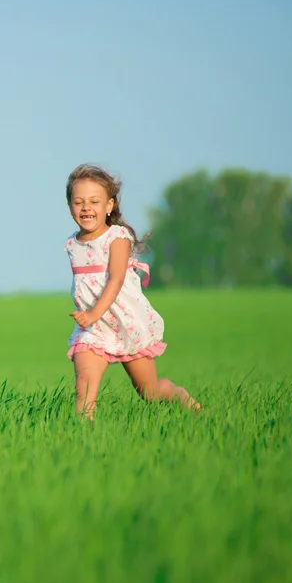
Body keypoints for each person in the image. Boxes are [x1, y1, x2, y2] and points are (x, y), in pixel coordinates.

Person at [64, 163, 201, 420]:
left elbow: (115, 280)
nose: (86, 208)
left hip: (125, 321)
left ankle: (187, 402)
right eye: (78, 201)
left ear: (109, 205)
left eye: (94, 201)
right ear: (69, 205)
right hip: (92, 329)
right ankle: (84, 437)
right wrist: (91, 319)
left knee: (149, 392)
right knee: (84, 386)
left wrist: (94, 313)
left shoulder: (117, 237)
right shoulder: (72, 244)